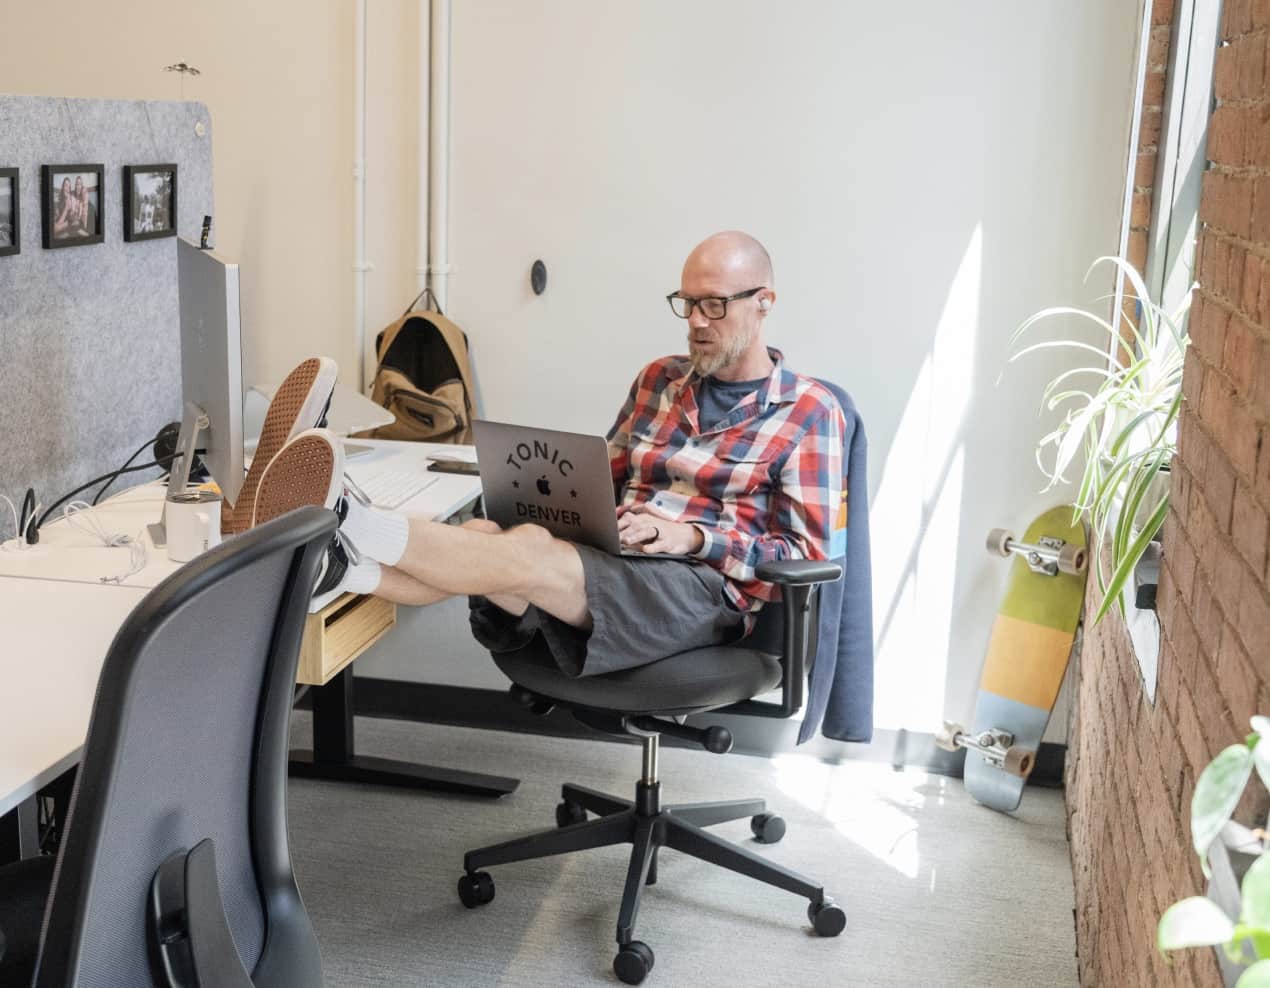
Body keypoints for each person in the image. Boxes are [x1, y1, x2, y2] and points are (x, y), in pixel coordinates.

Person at [253, 231, 845, 678]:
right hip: (621, 558)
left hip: (702, 589)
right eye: (685, 303)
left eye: (712, 305)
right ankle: (343, 566)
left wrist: (690, 537)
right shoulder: (659, 380)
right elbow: (602, 478)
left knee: (528, 555)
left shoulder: (809, 411)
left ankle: (343, 518)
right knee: (489, 531)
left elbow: (805, 555)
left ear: (764, 301)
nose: (694, 322)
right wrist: (546, 490)